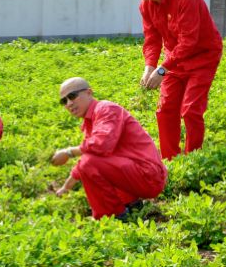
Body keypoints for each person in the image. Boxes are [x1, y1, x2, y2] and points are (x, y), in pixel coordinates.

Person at [133, 0, 223, 160]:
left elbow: (189, 42)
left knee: (191, 110)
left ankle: (193, 160)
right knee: (165, 109)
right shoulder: (145, 6)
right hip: (175, 59)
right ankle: (170, 161)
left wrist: (162, 69)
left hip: (203, 57)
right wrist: (149, 67)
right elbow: (152, 39)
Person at [52, 77, 167, 220]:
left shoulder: (106, 109)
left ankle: (112, 216)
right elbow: (87, 158)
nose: (69, 103)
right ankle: (131, 205)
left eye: (72, 96)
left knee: (90, 162)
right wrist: (65, 188)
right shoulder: (90, 120)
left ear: (89, 92)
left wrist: (68, 152)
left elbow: (100, 145)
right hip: (138, 175)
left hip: (149, 176)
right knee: (90, 160)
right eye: (64, 101)